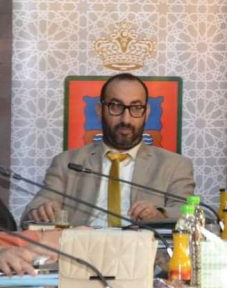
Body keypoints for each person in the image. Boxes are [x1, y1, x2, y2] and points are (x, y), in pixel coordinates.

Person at [22, 73, 195, 226]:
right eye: (116, 106)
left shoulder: (174, 165)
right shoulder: (67, 163)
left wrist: (159, 214)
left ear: (146, 112)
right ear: (100, 110)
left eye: (136, 108)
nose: (126, 119)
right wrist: (41, 211)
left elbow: (188, 213)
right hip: (81, 246)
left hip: (143, 248)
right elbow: (32, 212)